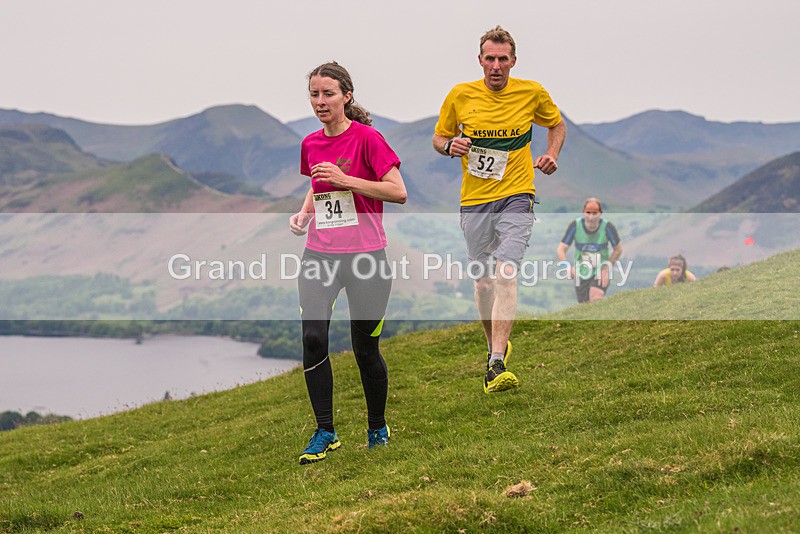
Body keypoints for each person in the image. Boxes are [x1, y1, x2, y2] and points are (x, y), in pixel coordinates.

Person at [432, 25, 566, 393]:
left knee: (506, 272)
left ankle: (495, 362)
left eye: (502, 59)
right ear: (479, 60)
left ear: (513, 61)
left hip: (518, 193)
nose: (495, 66)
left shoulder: (532, 92)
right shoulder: (460, 96)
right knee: (483, 281)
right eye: (489, 59)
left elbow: (556, 123)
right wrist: (449, 147)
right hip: (475, 200)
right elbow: (439, 137)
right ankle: (496, 345)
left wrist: (552, 154)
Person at [289, 61, 407, 465]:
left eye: (328, 94)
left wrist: (348, 181)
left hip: (365, 258)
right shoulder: (310, 143)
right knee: (313, 339)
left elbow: (398, 191)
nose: (320, 102)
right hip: (319, 254)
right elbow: (317, 183)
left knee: (365, 349)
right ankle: (325, 431)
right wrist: (305, 213)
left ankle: (377, 427)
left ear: (347, 96)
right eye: (314, 95)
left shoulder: (369, 139)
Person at [556, 198, 623, 303]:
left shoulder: (607, 227)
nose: (591, 217)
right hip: (581, 272)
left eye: (595, 213)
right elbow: (561, 249)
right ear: (583, 212)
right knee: (584, 306)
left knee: (595, 296)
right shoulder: (575, 226)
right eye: (588, 213)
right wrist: (567, 267)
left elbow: (618, 249)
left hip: (600, 271)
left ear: (600, 213)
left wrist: (606, 268)